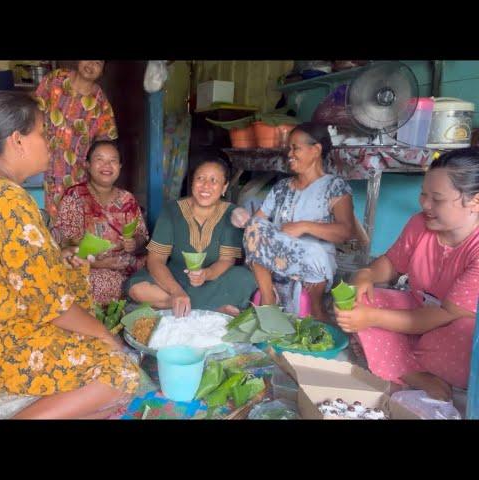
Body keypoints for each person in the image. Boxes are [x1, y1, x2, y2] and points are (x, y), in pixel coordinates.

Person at [0, 91, 139, 419]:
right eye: (42, 133)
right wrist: (108, 338)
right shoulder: (10, 200)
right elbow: (53, 307)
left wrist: (65, 260)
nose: (49, 143)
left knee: (85, 345)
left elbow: (16, 269)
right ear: (17, 140)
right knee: (121, 372)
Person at [334, 148, 479, 401]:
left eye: (437, 198)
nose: (425, 204)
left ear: (475, 201)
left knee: (465, 335)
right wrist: (367, 274)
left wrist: (374, 319)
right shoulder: (420, 223)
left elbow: (446, 314)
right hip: (419, 309)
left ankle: (398, 360)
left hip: (452, 328)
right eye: (423, 194)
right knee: (365, 299)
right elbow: (391, 263)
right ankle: (415, 372)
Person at [232, 123, 357, 320]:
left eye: (295, 148)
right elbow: (257, 224)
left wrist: (305, 226)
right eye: (288, 148)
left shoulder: (334, 187)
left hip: (315, 261)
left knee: (314, 251)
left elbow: (346, 231)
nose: (289, 153)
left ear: (315, 150)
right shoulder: (282, 187)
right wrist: (241, 216)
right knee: (254, 228)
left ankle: (317, 310)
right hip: (279, 258)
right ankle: (268, 297)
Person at [126, 157, 256, 317]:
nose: (206, 186)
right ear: (192, 183)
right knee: (136, 288)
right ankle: (208, 307)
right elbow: (155, 260)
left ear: (224, 187)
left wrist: (206, 274)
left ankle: (182, 306)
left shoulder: (231, 214)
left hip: (213, 279)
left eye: (214, 180)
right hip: (174, 278)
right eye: (200, 179)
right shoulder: (172, 210)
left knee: (245, 278)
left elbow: (226, 261)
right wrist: (176, 291)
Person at [56, 140, 149, 305]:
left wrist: (134, 243)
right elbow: (68, 242)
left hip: (129, 265)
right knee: (101, 283)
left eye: (113, 160)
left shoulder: (127, 198)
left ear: (119, 167)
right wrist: (99, 263)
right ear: (88, 165)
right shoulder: (75, 196)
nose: (107, 165)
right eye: (100, 159)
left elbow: (142, 234)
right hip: (91, 267)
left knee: (155, 273)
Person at [35, 60, 118, 229]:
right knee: (45, 225)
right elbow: (34, 111)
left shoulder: (102, 106)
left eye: (98, 63)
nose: (91, 65)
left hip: (76, 177)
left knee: (72, 227)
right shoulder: (55, 80)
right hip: (43, 167)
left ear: (102, 71)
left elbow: (104, 147)